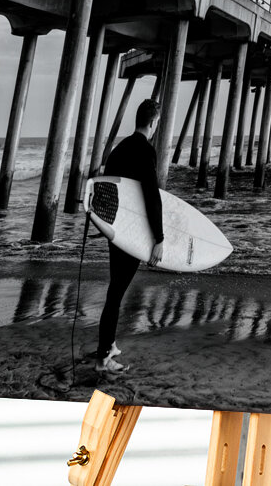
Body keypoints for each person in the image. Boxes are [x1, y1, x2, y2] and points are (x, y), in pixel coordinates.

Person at [94, 99, 164, 373]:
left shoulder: (119, 149)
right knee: (116, 292)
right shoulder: (145, 150)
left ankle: (108, 344)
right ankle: (103, 358)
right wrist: (158, 238)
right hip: (132, 233)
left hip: (117, 231)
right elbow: (151, 195)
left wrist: (107, 227)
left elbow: (106, 191)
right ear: (153, 123)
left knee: (115, 288)